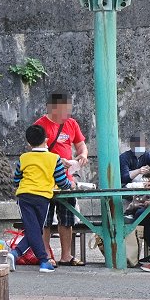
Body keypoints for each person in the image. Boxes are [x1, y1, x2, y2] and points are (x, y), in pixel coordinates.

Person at [13, 123, 75, 272]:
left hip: (24, 196)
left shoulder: (23, 158)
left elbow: (16, 180)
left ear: (28, 143)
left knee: (32, 230)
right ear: (46, 140)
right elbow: (62, 182)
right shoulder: (54, 158)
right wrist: (71, 184)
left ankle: (16, 254)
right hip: (42, 198)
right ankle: (42, 260)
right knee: (36, 230)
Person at [35, 94, 88, 265]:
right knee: (45, 220)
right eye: (64, 109)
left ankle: (66, 255)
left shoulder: (71, 124)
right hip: (46, 180)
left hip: (66, 179)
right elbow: (35, 150)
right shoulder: (40, 125)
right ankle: (46, 255)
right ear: (53, 108)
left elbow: (80, 144)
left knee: (67, 218)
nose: (67, 113)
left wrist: (83, 154)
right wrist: (57, 160)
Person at [119, 134, 150, 269]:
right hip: (132, 193)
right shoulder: (124, 158)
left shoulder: (147, 156)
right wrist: (139, 171)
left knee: (143, 215)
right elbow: (124, 177)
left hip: (145, 197)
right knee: (140, 214)